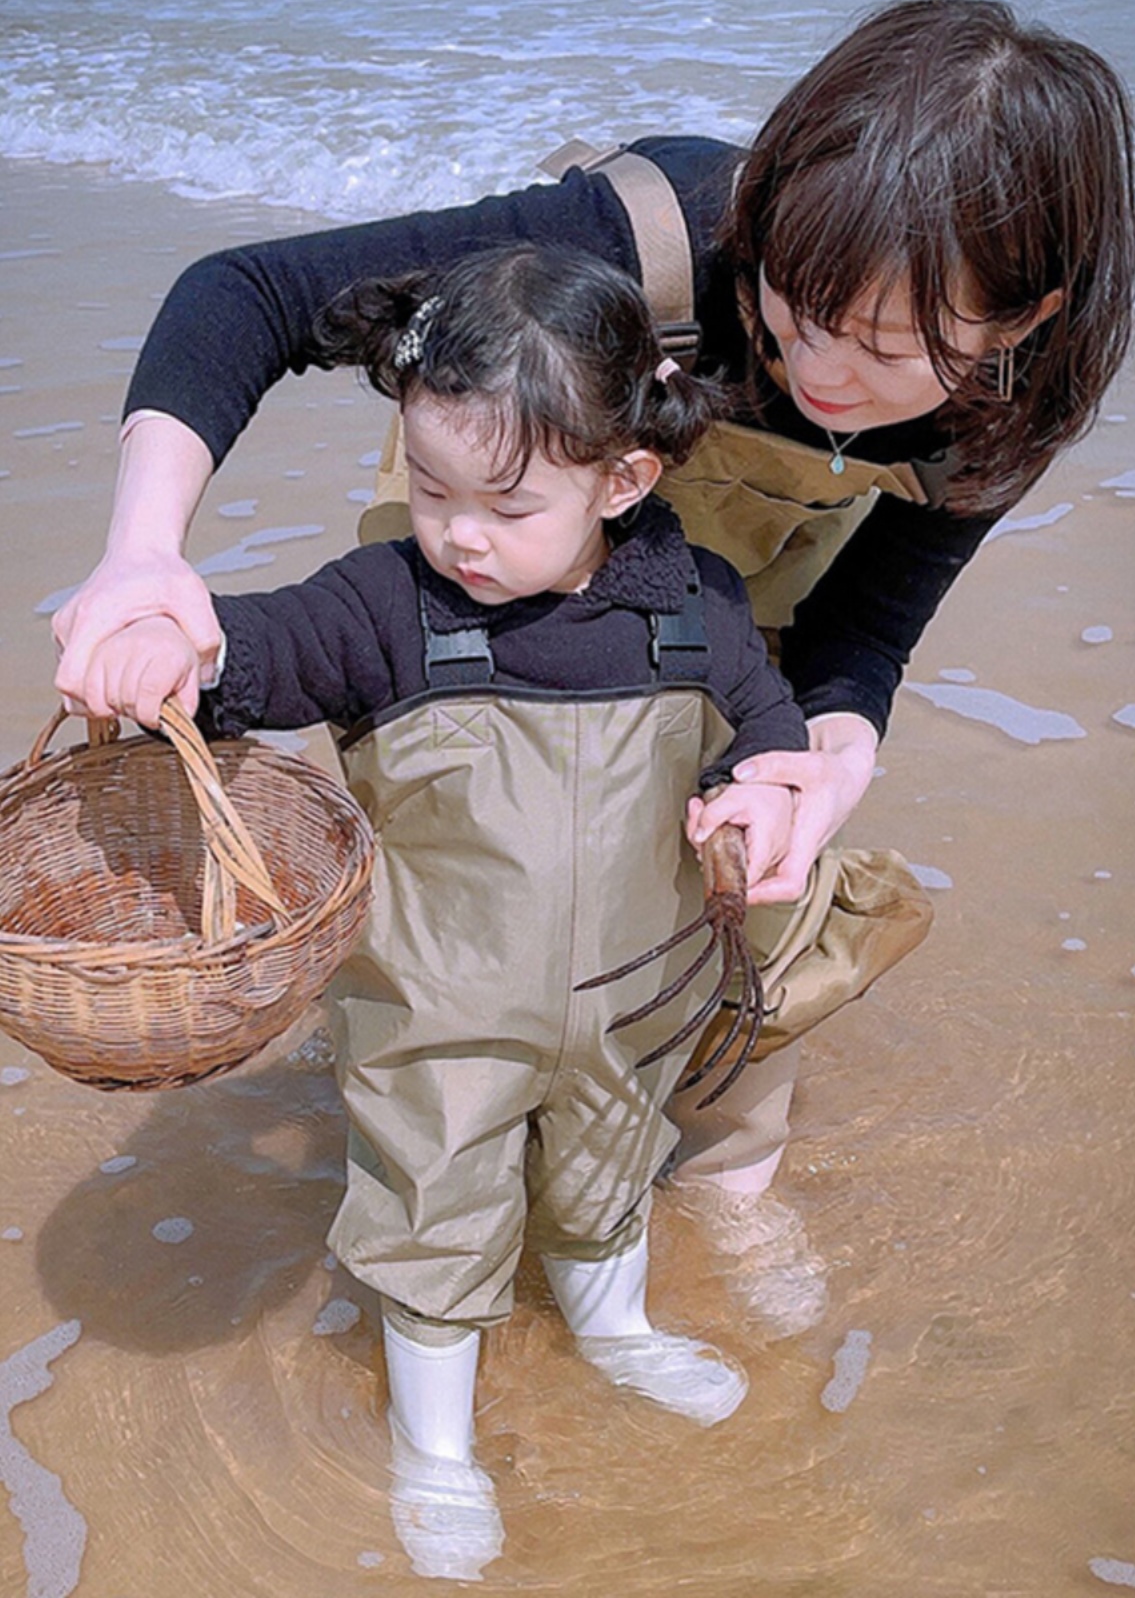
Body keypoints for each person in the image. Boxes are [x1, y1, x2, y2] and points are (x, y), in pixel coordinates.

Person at [52, 0, 1135, 1215]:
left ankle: (710, 1189)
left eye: (886, 354)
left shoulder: (1007, 410)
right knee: (469, 885)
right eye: (795, 308)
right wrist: (144, 554)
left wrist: (824, 769)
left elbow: (863, 640)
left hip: (724, 612)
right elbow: (244, 292)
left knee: (715, 902)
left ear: (1027, 318)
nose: (826, 373)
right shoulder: (656, 239)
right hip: (485, 553)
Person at [81, 244, 927, 1580]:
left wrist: (771, 786)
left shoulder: (692, 602)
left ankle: (617, 1327)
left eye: (508, 503)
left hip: (634, 1002)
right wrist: (173, 645)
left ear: (625, 478)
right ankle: (435, 1444)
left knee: (608, 1182)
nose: (461, 533)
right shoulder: (388, 610)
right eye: (431, 488)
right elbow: (261, 649)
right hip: (439, 1026)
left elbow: (769, 724)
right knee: (435, 1216)